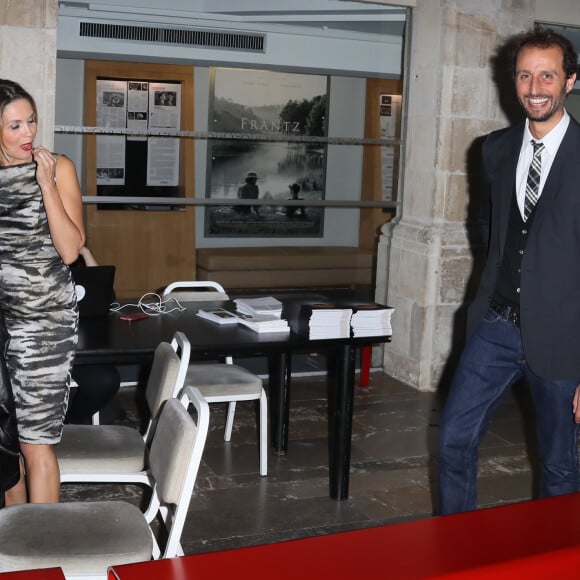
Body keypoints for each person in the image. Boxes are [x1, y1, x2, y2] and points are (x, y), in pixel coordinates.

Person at [438, 26, 580, 515]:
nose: (535, 87)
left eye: (547, 75)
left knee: (561, 467)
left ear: (570, 81)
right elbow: (489, 226)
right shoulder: (495, 148)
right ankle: (456, 550)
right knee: (454, 440)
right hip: (495, 325)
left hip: (565, 338)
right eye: (525, 75)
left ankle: (558, 559)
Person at [0, 79, 85, 505]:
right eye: (14, 126)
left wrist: (47, 183)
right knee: (5, 447)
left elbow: (70, 250)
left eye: (30, 121)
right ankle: (18, 554)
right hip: (1, 323)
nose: (28, 133)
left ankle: (44, 559)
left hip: (44, 320)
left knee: (36, 441)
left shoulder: (59, 167)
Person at [66, 246, 121, 425]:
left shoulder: (74, 265)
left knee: (106, 380)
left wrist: (85, 252)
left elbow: (107, 297)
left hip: (81, 344)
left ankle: (71, 420)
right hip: (42, 346)